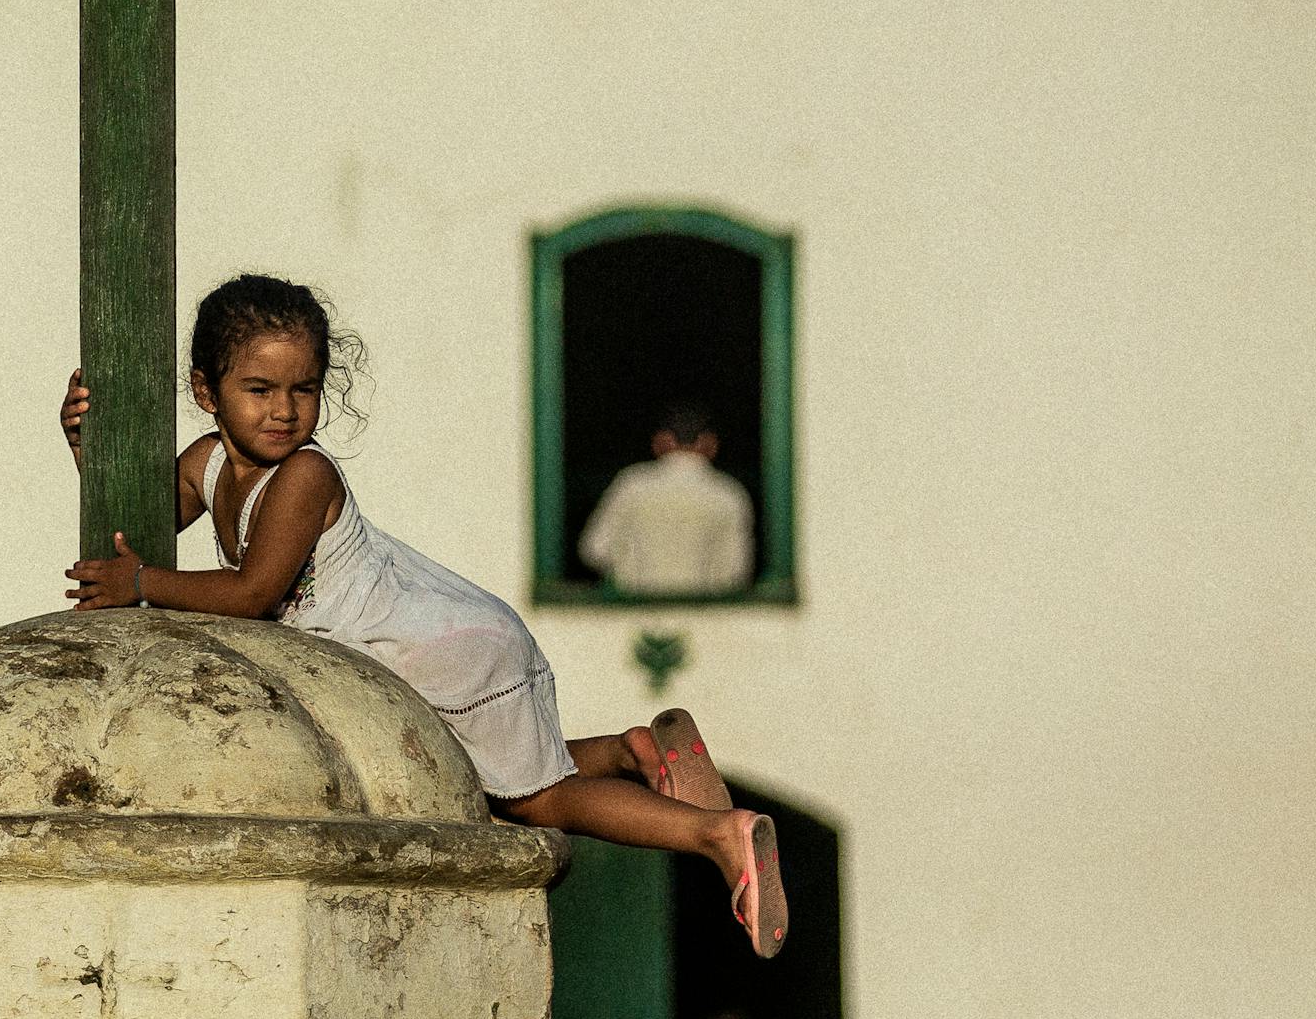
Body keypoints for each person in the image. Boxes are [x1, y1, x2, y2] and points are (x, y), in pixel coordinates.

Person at [62, 272, 788, 957]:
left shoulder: (303, 474)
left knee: (538, 800)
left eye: (303, 389)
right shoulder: (208, 463)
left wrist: (146, 583)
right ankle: (634, 750)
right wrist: (85, 448)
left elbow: (251, 594)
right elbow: (135, 535)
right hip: (420, 641)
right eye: (259, 389)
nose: (284, 410)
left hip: (443, 648)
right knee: (496, 774)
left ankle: (715, 835)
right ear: (206, 391)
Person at [578, 400, 755, 596]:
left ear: (661, 442)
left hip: (636, 616)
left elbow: (594, 550)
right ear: (710, 443)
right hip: (703, 620)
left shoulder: (631, 486)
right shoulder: (729, 494)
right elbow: (737, 573)